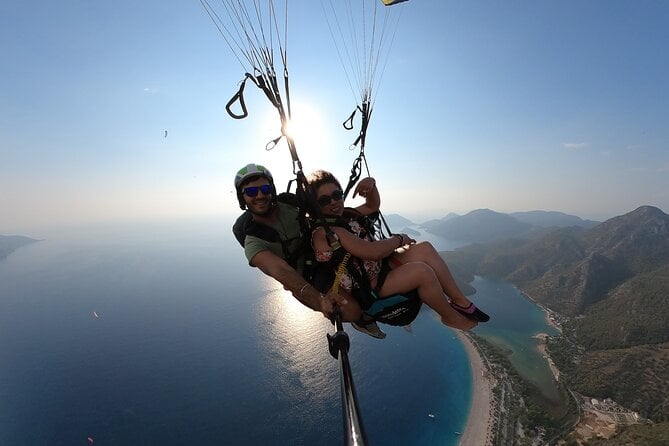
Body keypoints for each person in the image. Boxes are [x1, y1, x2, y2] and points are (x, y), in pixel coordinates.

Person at [308, 169, 490, 331]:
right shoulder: (325, 232)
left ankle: (460, 301)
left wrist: (371, 186)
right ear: (314, 206)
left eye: (337, 194)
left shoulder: (345, 216)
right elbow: (373, 252)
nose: (334, 202)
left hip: (379, 269)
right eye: (324, 200)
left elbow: (372, 206)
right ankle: (449, 317)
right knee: (422, 272)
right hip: (367, 286)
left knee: (425, 248)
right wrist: (399, 239)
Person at [232, 163, 385, 338]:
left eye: (265, 189)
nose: (260, 195)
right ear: (241, 197)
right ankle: (361, 318)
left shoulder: (289, 204)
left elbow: (325, 202)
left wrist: (368, 183)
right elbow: (281, 271)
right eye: (251, 192)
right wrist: (320, 301)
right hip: (306, 276)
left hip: (324, 255)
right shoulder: (254, 242)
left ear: (272, 190)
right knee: (351, 311)